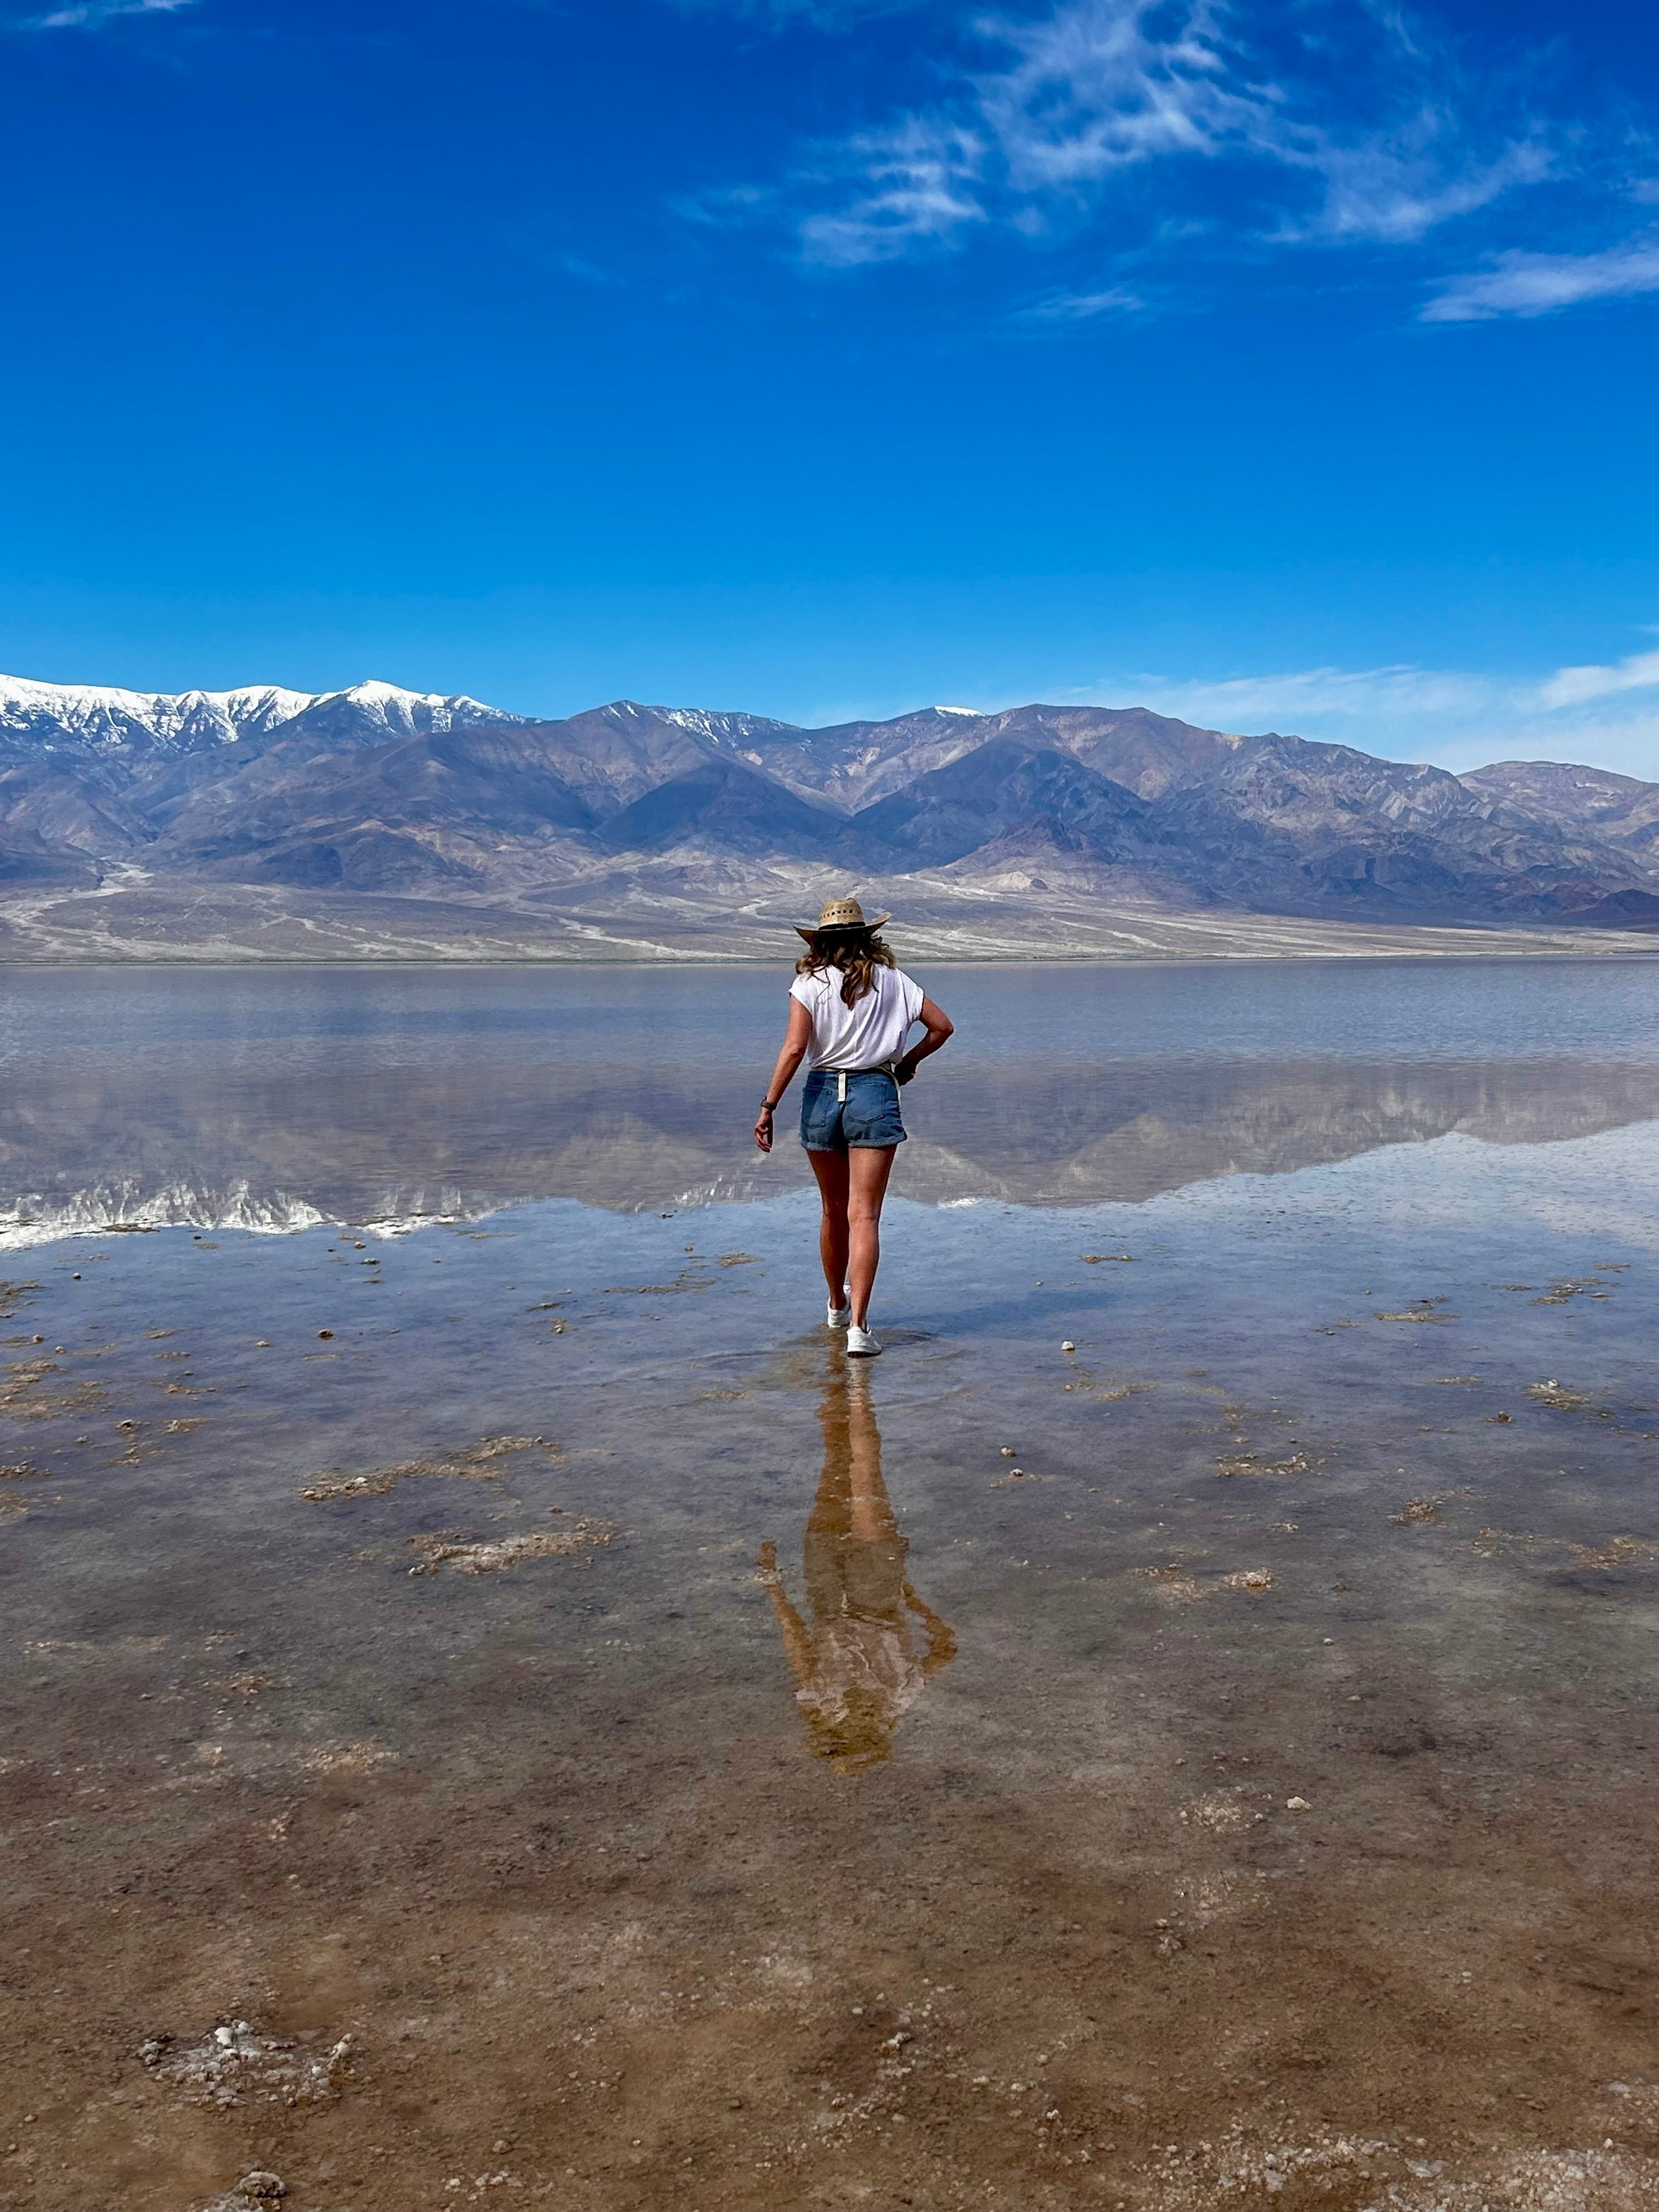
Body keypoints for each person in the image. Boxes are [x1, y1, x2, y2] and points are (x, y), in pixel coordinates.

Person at [753, 896, 953, 1357]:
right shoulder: (895, 981)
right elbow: (942, 1027)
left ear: (822, 941)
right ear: (867, 936)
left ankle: (834, 1307)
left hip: (822, 1095)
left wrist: (768, 1106)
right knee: (864, 1216)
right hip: (874, 1093)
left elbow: (793, 1050)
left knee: (832, 1210)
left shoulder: (808, 984)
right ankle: (860, 1330)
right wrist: (907, 1063)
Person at [755, 1355, 956, 1774]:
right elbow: (946, 1648)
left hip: (830, 1595)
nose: (841, 1731)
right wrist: (909, 1595)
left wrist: (775, 1588)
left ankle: (842, 1376)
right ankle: (859, 1386)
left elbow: (797, 1647)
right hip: (873, 1592)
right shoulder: (899, 1698)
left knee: (836, 1465)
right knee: (863, 1473)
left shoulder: (821, 1701)